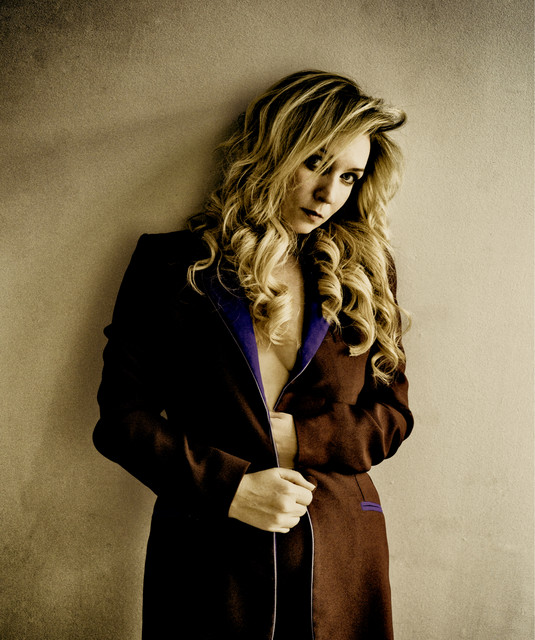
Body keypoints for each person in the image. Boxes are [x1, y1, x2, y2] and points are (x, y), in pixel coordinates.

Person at [93, 69, 414, 640]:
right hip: (208, 555)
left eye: (349, 176)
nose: (329, 194)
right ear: (273, 151)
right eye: (315, 163)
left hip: (342, 557)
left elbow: (392, 415)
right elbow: (122, 420)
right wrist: (229, 488)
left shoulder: (366, 274)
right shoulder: (170, 266)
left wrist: (305, 439)